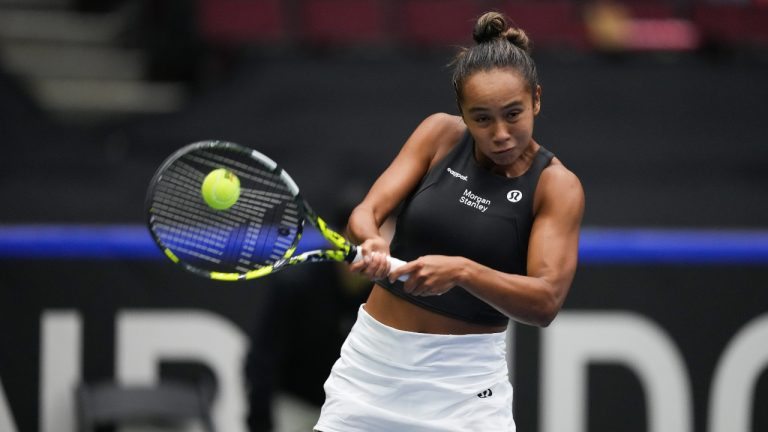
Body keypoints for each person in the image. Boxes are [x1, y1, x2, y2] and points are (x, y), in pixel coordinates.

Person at [313, 11, 585, 432]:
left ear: (536, 99)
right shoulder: (439, 135)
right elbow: (366, 214)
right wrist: (371, 242)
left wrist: (462, 271)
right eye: (482, 118)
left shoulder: (557, 187)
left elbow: (546, 301)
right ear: (462, 112)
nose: (500, 133)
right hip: (371, 370)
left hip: (463, 392)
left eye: (513, 114)